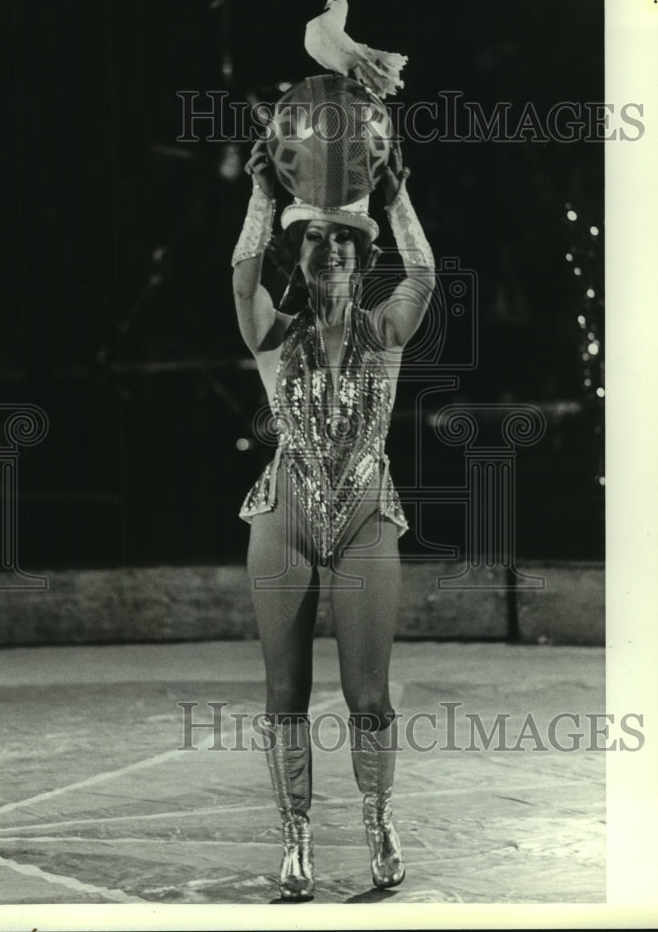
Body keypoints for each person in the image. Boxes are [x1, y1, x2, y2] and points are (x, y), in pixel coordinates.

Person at [231, 136, 436, 900]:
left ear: (359, 249)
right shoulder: (272, 334)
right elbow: (241, 278)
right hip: (281, 519)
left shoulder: (385, 333)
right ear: (300, 250)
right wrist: (258, 198)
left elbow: (423, 274)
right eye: (315, 238)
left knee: (368, 695)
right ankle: (295, 839)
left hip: (364, 521)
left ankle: (378, 822)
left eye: (343, 238)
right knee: (282, 691)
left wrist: (395, 196)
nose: (331, 250)